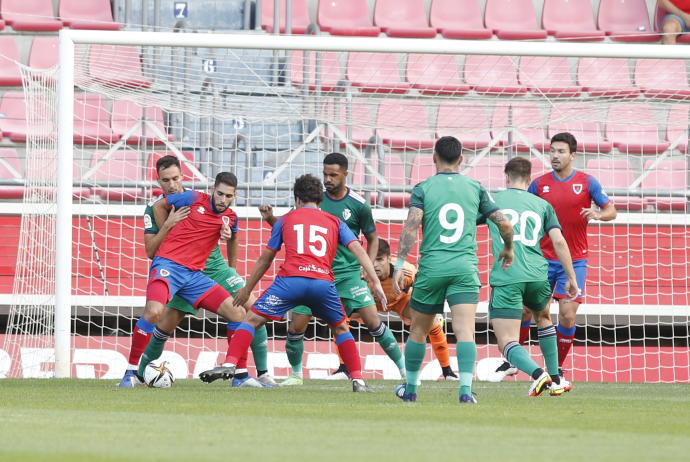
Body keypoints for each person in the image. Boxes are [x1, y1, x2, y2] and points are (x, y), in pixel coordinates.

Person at [198, 174, 387, 393]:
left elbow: (266, 258)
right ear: (319, 200)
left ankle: (230, 364)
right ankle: (358, 381)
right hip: (322, 284)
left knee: (251, 320)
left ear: (297, 199)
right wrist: (375, 282)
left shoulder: (287, 219)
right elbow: (359, 250)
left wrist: (247, 289)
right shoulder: (335, 222)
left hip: (290, 282)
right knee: (341, 327)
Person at [117, 157, 275, 388]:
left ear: (183, 176)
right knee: (161, 323)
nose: (172, 184)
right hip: (174, 267)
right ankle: (137, 373)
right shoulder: (158, 207)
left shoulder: (205, 201)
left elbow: (232, 234)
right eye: (166, 180)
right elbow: (151, 251)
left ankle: (256, 373)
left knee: (251, 309)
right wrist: (169, 225)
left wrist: (232, 266)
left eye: (175, 178)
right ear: (158, 181)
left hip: (212, 269)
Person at [261, 153, 406, 386]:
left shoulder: (358, 205)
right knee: (297, 325)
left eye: (333, 175)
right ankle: (296, 375)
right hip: (315, 272)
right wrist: (270, 219)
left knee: (373, 321)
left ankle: (404, 369)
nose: (328, 179)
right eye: (325, 174)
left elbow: (373, 239)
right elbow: (289, 226)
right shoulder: (316, 200)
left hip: (349, 275)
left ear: (346, 175)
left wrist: (365, 269)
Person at [392, 136, 514, 404]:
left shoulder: (423, 188)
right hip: (463, 268)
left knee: (418, 331)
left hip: (432, 267)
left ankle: (411, 389)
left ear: (434, 158)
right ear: (461, 160)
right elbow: (504, 224)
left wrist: (400, 264)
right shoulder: (475, 188)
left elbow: (411, 228)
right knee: (465, 332)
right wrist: (508, 248)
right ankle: (466, 391)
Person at [521, 132, 617, 386]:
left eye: (561, 151)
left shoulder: (587, 183)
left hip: (574, 260)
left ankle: (557, 368)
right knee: (527, 310)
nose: (555, 155)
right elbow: (524, 210)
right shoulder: (539, 185)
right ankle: (512, 359)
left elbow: (612, 210)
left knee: (567, 315)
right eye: (552, 150)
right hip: (541, 258)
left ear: (572, 155)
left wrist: (597, 214)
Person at [479, 157, 579, 397]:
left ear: (506, 177)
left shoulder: (493, 202)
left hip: (508, 274)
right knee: (543, 318)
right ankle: (556, 379)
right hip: (538, 274)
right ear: (529, 179)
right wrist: (572, 277)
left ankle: (538, 374)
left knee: (507, 340)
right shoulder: (541, 204)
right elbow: (558, 241)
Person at [369, 238, 458, 381]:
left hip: (400, 302)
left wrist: (429, 309)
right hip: (371, 304)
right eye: (371, 259)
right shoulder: (361, 273)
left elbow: (425, 288)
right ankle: (344, 369)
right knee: (341, 318)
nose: (374, 265)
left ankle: (447, 371)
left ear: (389, 258)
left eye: (380, 260)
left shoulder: (406, 271)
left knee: (431, 323)